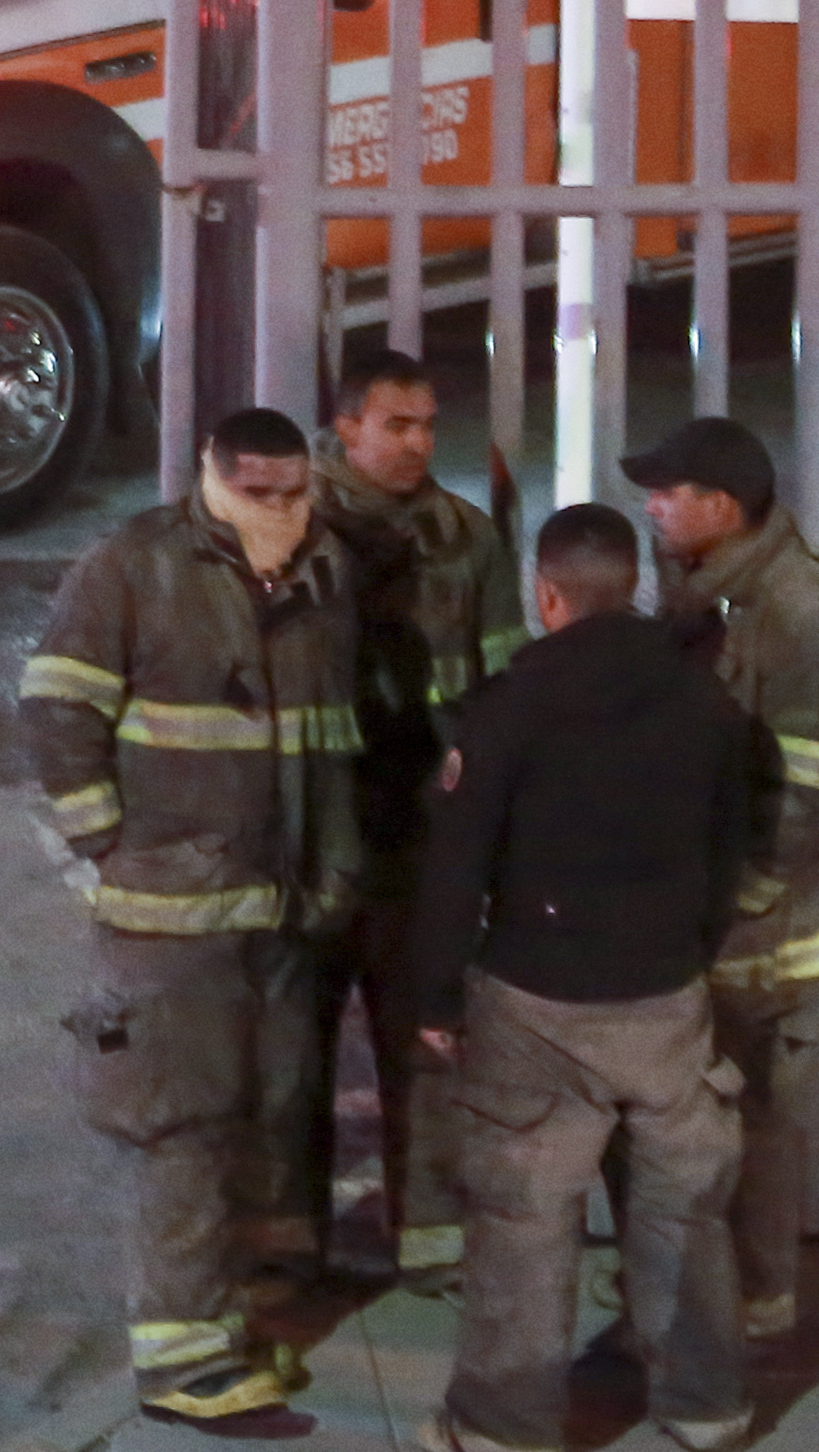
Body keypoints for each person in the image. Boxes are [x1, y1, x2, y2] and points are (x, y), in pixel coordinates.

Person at [18, 406, 366, 1431]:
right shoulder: (134, 566)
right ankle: (182, 1360)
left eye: (292, 495)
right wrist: (106, 848)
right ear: (211, 484)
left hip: (279, 906)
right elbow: (53, 707)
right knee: (179, 1124)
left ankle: (230, 1315)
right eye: (257, 496)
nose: (279, 515)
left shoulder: (325, 572)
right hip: (172, 918)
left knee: (255, 1113)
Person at [404, 501, 756, 1452]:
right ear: (630, 586)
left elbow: (456, 863)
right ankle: (705, 1404)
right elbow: (731, 848)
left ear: (546, 596)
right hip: (664, 993)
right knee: (681, 1203)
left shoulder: (509, 707)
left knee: (524, 1217)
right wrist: (692, 943)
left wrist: (435, 996)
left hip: (536, 999)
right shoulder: (702, 701)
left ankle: (502, 1427)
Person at [628, 413, 819, 1345]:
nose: (650, 507)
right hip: (713, 911)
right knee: (709, 1115)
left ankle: (760, 1301)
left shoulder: (798, 612)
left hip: (765, 928)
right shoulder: (707, 586)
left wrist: (752, 893)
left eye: (666, 493)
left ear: (720, 508)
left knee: (759, 1122)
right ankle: (716, 1289)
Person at [305, 349, 525, 1287]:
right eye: (396, 425)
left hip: (415, 841)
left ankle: (432, 1247)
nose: (418, 443)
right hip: (313, 835)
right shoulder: (294, 527)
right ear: (345, 427)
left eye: (428, 425)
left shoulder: (464, 538)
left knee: (426, 1050)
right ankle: (289, 1250)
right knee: (291, 1058)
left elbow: (501, 685)